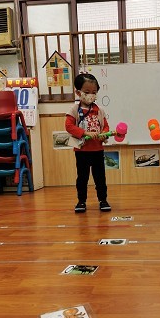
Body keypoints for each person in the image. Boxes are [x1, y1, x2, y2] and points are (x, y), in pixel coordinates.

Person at [65, 73, 111, 213]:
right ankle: (81, 201)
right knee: (82, 178)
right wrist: (85, 133)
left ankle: (103, 200)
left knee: (100, 178)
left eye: (94, 92)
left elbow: (105, 126)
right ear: (78, 92)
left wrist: (104, 134)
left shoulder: (99, 110)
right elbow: (69, 126)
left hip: (97, 150)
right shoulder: (74, 109)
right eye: (87, 92)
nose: (91, 95)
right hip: (82, 151)